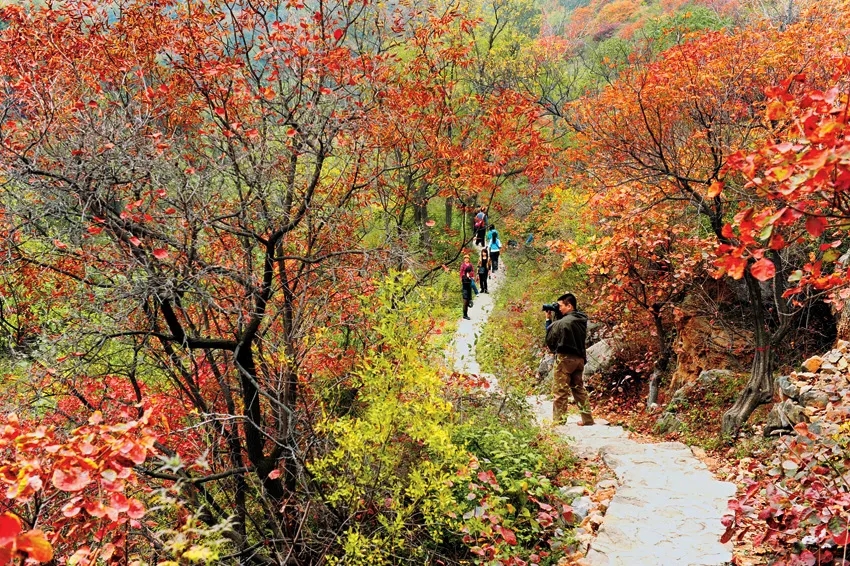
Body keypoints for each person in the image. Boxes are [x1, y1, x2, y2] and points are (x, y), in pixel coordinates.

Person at [545, 293, 594, 426]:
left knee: (560, 391)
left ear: (569, 305)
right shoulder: (580, 319)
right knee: (578, 388)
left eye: (560, 306)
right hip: (579, 359)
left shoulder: (563, 323)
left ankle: (559, 421)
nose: (558, 308)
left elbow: (550, 338)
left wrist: (548, 320)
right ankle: (587, 419)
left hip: (565, 359)